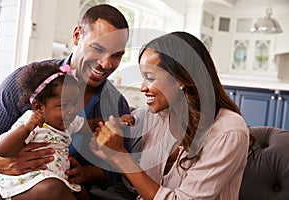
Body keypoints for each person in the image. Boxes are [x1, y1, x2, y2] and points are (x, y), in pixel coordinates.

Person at [0, 4, 133, 200]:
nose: (106, 64)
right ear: (76, 36)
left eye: (117, 55)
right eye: (98, 48)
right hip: (9, 187)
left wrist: (86, 173)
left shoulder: (116, 106)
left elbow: (120, 170)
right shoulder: (27, 82)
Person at [90, 31, 250, 199]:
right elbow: (132, 183)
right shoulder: (155, 115)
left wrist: (120, 156)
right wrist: (109, 145)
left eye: (150, 78)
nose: (143, 88)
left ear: (181, 78)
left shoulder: (228, 132)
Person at [0, 61, 86, 199]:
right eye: (64, 105)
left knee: (82, 192)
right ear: (39, 108)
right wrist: (25, 128)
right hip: (26, 184)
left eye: (74, 104)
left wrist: (115, 122)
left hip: (56, 177)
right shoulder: (31, 122)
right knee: (53, 189)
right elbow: (2, 149)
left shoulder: (69, 121)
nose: (72, 110)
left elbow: (90, 125)